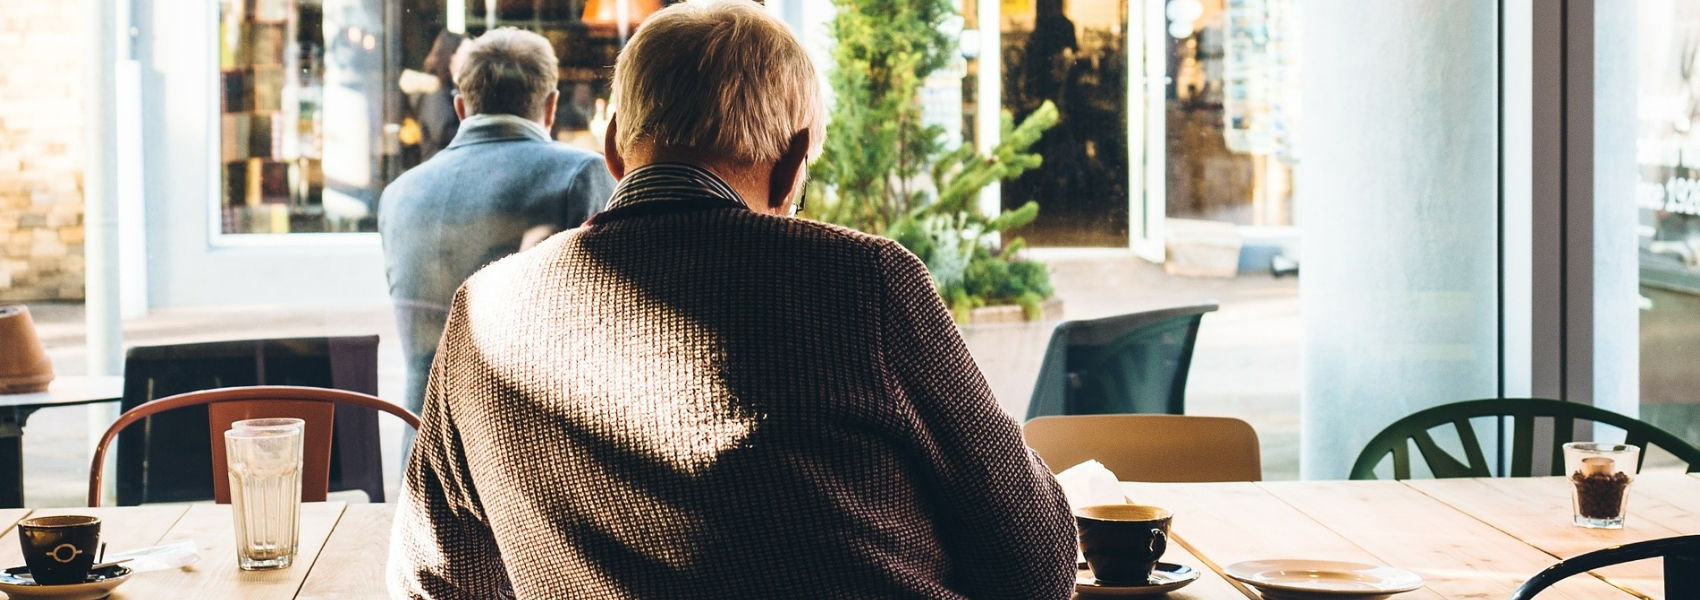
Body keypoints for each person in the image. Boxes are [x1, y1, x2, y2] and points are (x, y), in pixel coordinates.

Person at [386, 1, 1077, 598]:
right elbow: (1037, 569)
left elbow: (437, 580)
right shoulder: (864, 283)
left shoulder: (482, 313)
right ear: (792, 162)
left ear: (613, 149)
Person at [378, 27, 614, 453]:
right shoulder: (580, 175)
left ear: (461, 106)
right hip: (530, 456)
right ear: (552, 105)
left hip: (425, 454)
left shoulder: (399, 194)